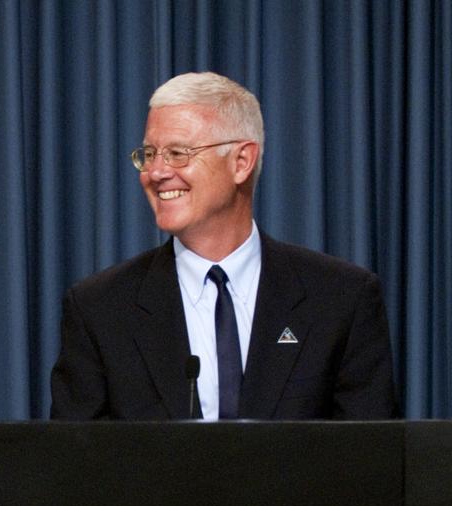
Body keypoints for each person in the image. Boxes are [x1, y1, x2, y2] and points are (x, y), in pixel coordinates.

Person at [50, 72, 397, 420]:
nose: (155, 173)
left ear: (241, 162)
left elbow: (369, 448)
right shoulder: (100, 309)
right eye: (150, 154)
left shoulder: (341, 299)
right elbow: (76, 451)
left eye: (177, 153)